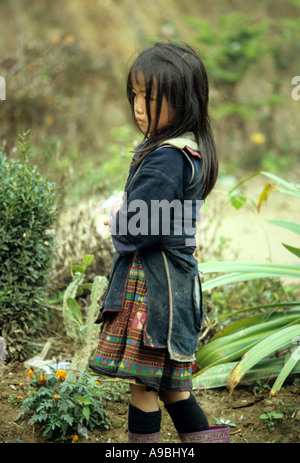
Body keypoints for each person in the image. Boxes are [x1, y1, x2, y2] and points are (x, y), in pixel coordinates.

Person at [90, 42, 230, 444]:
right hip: (174, 284)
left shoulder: (167, 157)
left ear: (184, 102)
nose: (138, 105)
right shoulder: (185, 149)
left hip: (154, 290)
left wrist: (116, 215)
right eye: (134, 94)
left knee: (144, 387)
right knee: (171, 388)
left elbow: (137, 230)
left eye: (150, 97)